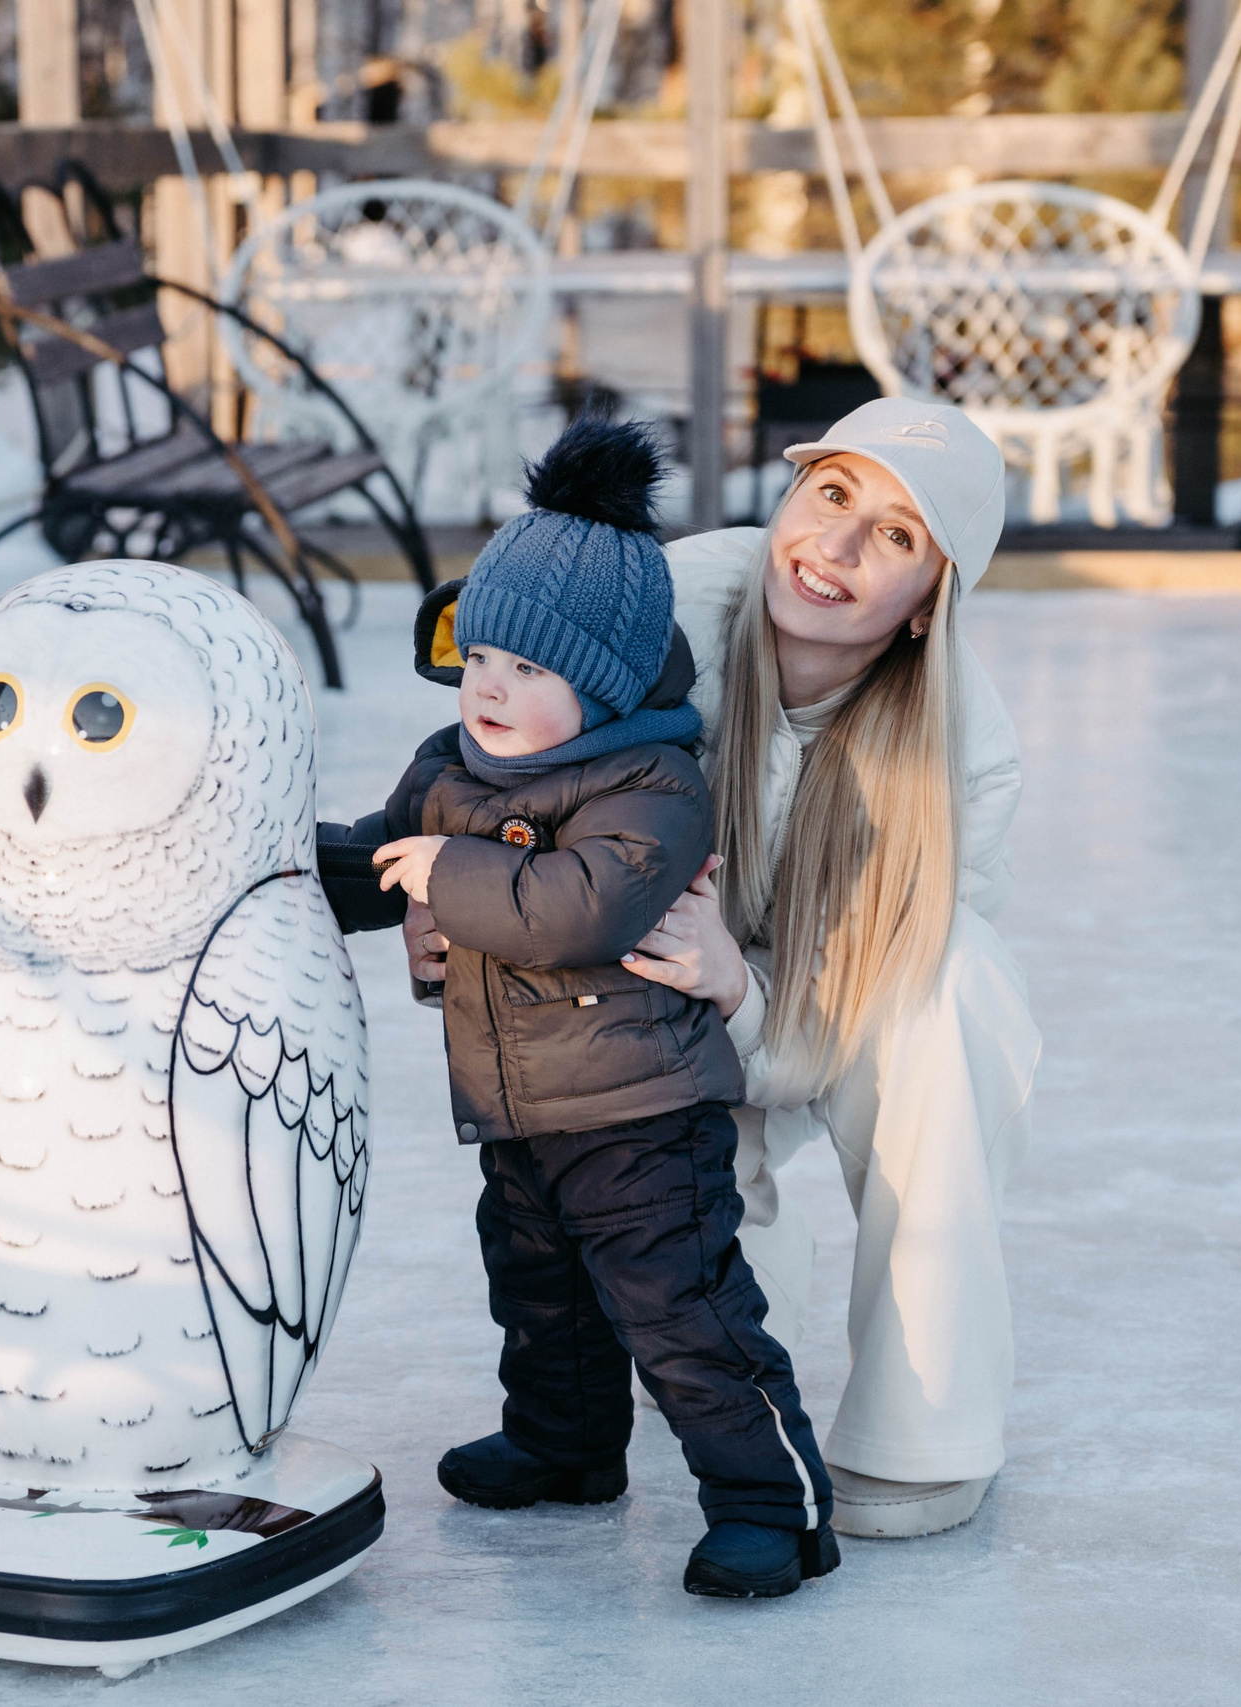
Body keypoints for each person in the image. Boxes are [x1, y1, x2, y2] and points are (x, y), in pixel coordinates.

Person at [396, 398, 1041, 1540]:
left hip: (805, 1017)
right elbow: (498, 765)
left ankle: (923, 1426)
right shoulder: (671, 606)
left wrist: (735, 988)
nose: (836, 547)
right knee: (681, 1326)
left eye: (895, 536)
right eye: (832, 495)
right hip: (632, 1011)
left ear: (928, 603)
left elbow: (852, 1023)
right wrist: (449, 901)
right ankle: (673, 1353)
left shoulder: (963, 753)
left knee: (959, 986)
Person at [357, 416, 841, 1599]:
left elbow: (576, 908)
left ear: (606, 686)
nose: (489, 688)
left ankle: (774, 1506)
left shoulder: (654, 787)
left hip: (642, 1120)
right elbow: (380, 857)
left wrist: (443, 875)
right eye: (478, 658)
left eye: (529, 671)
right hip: (520, 1109)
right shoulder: (452, 765)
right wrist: (263, 867)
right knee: (539, 1296)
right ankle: (566, 1450)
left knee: (681, 1315)